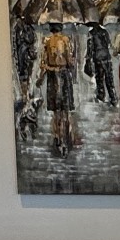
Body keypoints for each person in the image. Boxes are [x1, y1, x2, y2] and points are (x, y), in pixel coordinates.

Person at [40, 21, 82, 156]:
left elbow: (43, 63)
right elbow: (70, 61)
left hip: (52, 76)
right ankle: (66, 137)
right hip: (64, 76)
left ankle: (57, 136)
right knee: (65, 109)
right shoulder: (65, 40)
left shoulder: (47, 41)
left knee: (55, 110)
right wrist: (73, 61)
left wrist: (41, 77)